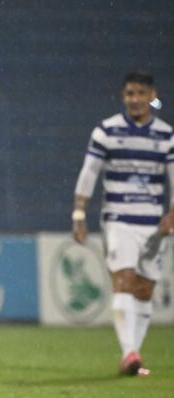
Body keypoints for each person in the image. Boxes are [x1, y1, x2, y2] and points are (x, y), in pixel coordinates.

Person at [72, 71, 174, 376]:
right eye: (129, 93)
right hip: (118, 217)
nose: (135, 99)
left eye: (140, 93)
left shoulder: (166, 135)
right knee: (122, 279)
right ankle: (129, 353)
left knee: (144, 289)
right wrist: (79, 213)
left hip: (154, 223)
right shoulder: (106, 131)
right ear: (123, 97)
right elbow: (89, 172)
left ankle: (134, 352)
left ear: (151, 95)